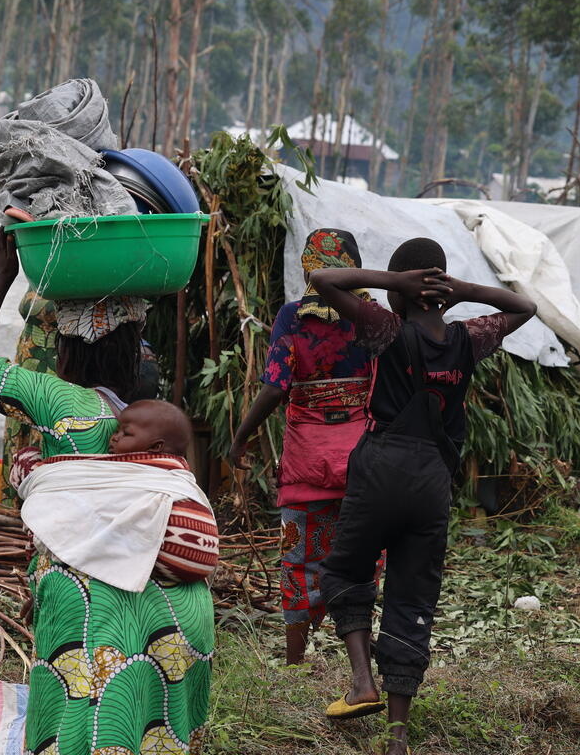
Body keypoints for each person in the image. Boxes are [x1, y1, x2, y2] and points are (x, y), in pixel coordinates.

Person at [0, 229, 213, 755]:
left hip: (96, 604)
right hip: (182, 605)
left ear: (64, 349)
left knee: (88, 729)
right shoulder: (154, 420)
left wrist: (3, 275)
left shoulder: (57, 397)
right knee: (151, 728)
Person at [310, 237, 536, 755]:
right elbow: (526, 306)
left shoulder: (386, 328)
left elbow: (323, 280)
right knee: (413, 596)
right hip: (434, 479)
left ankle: (362, 682)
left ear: (400, 294)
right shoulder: (467, 338)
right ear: (444, 293)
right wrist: (462, 290)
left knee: (345, 571)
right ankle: (397, 737)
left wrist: (393, 284)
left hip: (382, 465)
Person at [227, 228, 375, 665]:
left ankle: (295, 661)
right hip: (364, 462)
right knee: (361, 563)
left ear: (309, 268)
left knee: (298, 562)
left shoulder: (293, 317)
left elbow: (275, 388)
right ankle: (361, 666)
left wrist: (240, 438)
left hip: (306, 462)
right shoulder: (376, 318)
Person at [19, 400, 219, 590]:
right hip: (195, 554)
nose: (115, 437)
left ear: (156, 447)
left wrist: (33, 466)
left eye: (126, 433)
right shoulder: (153, 475)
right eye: (116, 431)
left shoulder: (151, 473)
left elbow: (74, 478)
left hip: (167, 547)